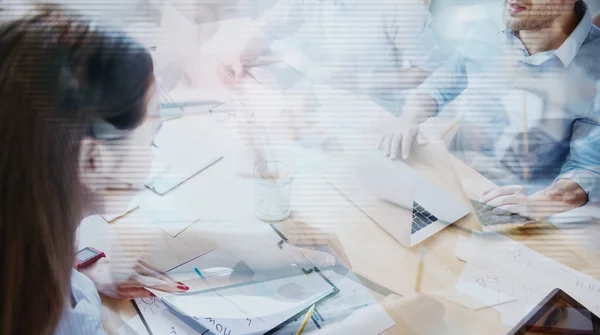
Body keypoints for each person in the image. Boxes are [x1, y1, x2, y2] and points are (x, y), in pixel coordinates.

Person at [0, 6, 296, 335]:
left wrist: (82, 274)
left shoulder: (28, 238)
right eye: (151, 137)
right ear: (92, 161)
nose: (154, 155)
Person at [379, 0, 600, 222]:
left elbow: (587, 170)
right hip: (448, 182)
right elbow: (443, 81)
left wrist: (537, 204)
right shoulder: (489, 25)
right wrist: (409, 117)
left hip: (511, 216)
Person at [219, 0, 443, 115]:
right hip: (323, 109)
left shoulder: (401, 7)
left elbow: (427, 70)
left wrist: (360, 81)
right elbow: (268, 27)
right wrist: (239, 55)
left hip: (376, 115)